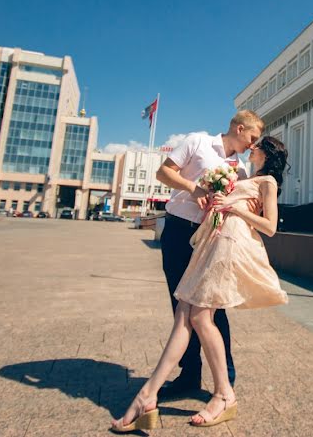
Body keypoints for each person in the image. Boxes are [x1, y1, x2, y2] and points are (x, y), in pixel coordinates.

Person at [111, 136, 289, 432]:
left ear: (266, 153)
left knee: (199, 315)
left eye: (256, 145)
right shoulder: (245, 173)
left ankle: (221, 394)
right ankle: (150, 396)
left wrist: (233, 207)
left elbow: (270, 226)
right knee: (186, 311)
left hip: (231, 242)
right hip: (212, 239)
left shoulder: (268, 181)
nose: (250, 148)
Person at [153, 111, 263, 400]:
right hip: (178, 231)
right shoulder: (197, 142)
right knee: (180, 308)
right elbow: (163, 172)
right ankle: (189, 375)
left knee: (216, 308)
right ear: (240, 129)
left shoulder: (239, 170)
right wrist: (193, 188)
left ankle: (224, 379)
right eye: (252, 138)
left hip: (210, 239)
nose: (253, 145)